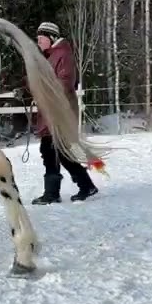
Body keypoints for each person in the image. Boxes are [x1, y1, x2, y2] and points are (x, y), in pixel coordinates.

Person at [30, 21, 98, 204]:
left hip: (60, 112)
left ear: (51, 38)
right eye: (38, 38)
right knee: (60, 153)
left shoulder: (63, 55)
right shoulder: (50, 56)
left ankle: (53, 193)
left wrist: (42, 91)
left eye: (41, 38)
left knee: (50, 151)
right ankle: (85, 186)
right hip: (51, 112)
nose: (38, 41)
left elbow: (65, 82)